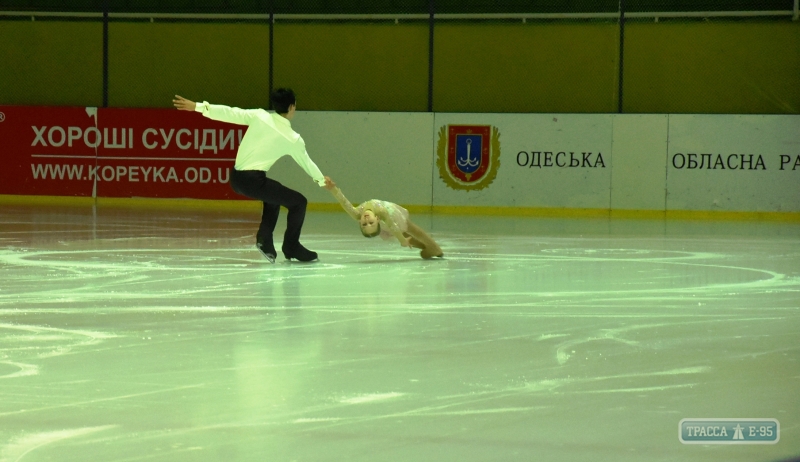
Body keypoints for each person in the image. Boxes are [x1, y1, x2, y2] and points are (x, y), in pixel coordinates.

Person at [173, 89, 324, 263]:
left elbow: (229, 112)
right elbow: (307, 162)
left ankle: (264, 240)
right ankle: (291, 246)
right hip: (253, 181)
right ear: (291, 107)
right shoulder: (292, 138)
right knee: (299, 202)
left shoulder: (259, 116)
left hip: (236, 178)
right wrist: (321, 180)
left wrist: (198, 107)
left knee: (274, 196)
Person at [323, 176, 443, 259]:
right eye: (371, 223)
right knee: (409, 231)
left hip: (390, 221)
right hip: (392, 218)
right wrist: (402, 240)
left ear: (360, 222)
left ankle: (432, 248)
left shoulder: (357, 214)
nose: (366, 220)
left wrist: (332, 188)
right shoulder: (381, 212)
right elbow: (392, 226)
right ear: (377, 219)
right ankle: (432, 248)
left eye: (365, 224)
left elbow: (344, 202)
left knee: (409, 231)